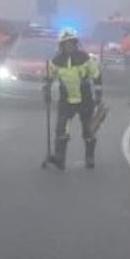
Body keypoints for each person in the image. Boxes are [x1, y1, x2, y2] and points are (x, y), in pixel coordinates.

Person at [43, 28, 102, 170]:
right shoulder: (56, 61)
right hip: (66, 99)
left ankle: (89, 157)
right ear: (61, 45)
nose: (69, 46)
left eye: (71, 43)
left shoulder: (85, 58)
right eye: (66, 43)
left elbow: (96, 76)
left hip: (85, 99)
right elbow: (49, 77)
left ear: (76, 43)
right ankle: (59, 158)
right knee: (61, 130)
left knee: (88, 130)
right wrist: (47, 90)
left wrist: (98, 94)